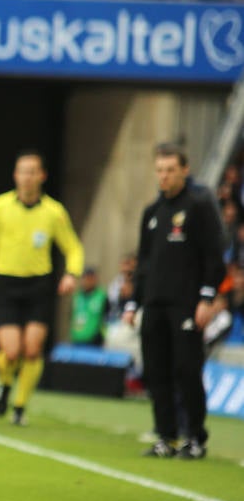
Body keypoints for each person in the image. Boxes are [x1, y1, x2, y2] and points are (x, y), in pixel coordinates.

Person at [122, 143, 225, 459]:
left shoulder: (199, 205)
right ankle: (166, 437)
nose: (164, 176)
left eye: (170, 170)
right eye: (160, 170)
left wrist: (206, 297)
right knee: (156, 371)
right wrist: (133, 303)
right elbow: (145, 261)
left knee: (186, 369)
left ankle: (196, 437)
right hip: (154, 303)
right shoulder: (152, 212)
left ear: (185, 169)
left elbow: (213, 254)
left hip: (186, 303)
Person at [0, 151, 85, 427]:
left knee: (32, 350)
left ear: (42, 176)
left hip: (38, 285)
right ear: (15, 175)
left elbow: (73, 247)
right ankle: (5, 383)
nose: (27, 177)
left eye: (33, 171)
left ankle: (20, 407)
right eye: (22, 171)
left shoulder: (53, 213)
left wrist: (72, 274)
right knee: (11, 352)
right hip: (5, 283)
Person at [68, 267, 108, 346]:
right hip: (77, 339)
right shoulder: (77, 296)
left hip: (95, 340)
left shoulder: (102, 296)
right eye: (86, 278)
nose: (88, 281)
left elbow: (107, 317)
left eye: (91, 278)